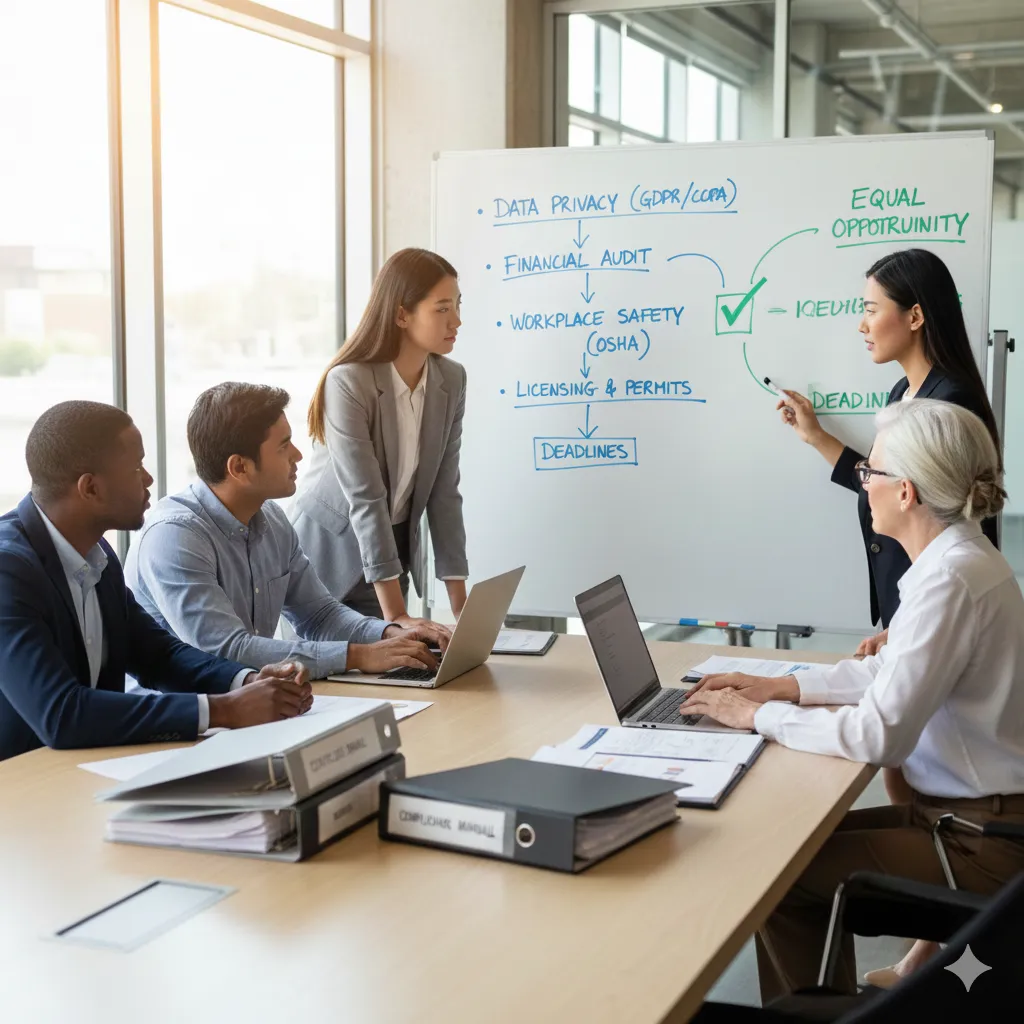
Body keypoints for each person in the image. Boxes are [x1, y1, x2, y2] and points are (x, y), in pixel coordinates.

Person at [678, 399, 1024, 999]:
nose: (864, 484)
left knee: (776, 878)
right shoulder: (958, 560)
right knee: (784, 854)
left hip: (981, 841)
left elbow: (879, 734)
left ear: (907, 493)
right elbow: (889, 671)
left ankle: (818, 1014)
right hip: (977, 819)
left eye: (872, 472)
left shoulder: (948, 581)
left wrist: (757, 715)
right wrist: (781, 687)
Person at [775, 248, 1001, 812]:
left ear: (916, 316)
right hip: (915, 608)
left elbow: (953, 524)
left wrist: (917, 626)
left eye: (871, 308)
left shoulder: (951, 404)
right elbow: (883, 484)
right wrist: (816, 437)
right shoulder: (905, 396)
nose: (862, 323)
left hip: (933, 607)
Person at [0, 401, 313, 762]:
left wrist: (244, 681)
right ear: (90, 489)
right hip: (21, 788)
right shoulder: (9, 571)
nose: (148, 479)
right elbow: (61, 714)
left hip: (81, 770)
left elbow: (157, 655)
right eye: (136, 467)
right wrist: (224, 710)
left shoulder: (96, 552)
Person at [125, 383, 446, 679]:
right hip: (184, 722)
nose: (298, 455)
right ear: (239, 467)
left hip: (249, 704)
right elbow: (226, 651)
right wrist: (358, 656)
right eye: (283, 446)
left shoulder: (272, 518)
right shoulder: (174, 537)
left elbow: (319, 616)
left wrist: (391, 635)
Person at [290, 247, 469, 624]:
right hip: (328, 556)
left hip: (391, 553)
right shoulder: (349, 382)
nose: (457, 320)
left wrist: (462, 607)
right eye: (442, 309)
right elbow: (365, 496)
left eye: (457, 305)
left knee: (400, 670)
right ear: (402, 314)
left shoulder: (451, 380)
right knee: (335, 675)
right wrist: (398, 619)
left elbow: (444, 491)